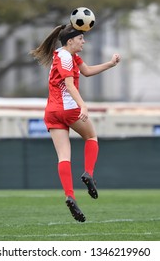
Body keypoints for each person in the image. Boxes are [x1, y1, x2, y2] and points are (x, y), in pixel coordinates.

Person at [30, 24, 120, 222]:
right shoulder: (65, 57)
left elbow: (86, 71)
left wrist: (110, 64)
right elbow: (69, 84)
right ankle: (88, 173)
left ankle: (70, 196)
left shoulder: (65, 55)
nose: (83, 41)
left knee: (63, 157)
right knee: (91, 136)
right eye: (80, 38)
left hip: (52, 112)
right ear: (70, 41)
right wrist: (83, 106)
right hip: (69, 109)